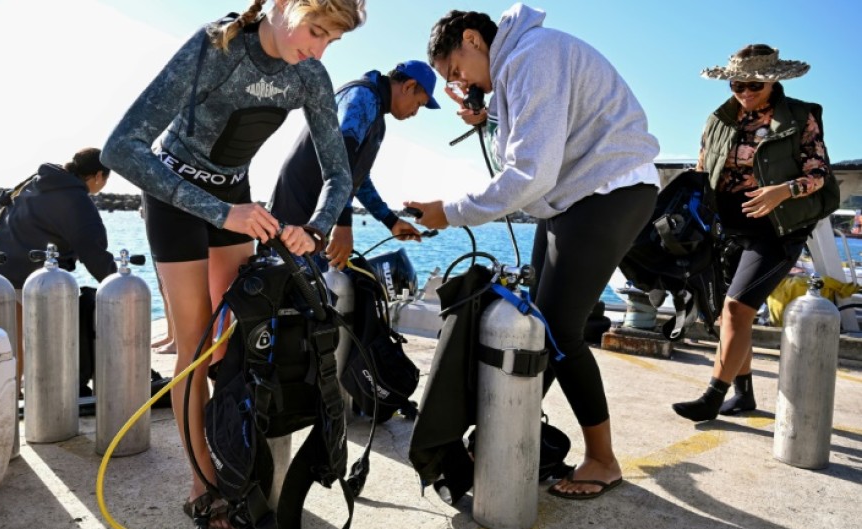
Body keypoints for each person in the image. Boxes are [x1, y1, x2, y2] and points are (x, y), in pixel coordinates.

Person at [99, 1, 365, 525]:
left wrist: (313, 228)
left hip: (235, 201)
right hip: (175, 196)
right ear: (284, 5)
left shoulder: (309, 74)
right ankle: (203, 481)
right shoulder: (215, 47)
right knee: (198, 345)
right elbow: (121, 150)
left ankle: (234, 460)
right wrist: (225, 212)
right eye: (315, 31)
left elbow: (338, 173)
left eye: (330, 42)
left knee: (237, 341)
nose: (317, 50)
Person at [404, 4, 660, 499]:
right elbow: (531, 147)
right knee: (538, 326)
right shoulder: (520, 65)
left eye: (456, 69)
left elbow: (529, 173)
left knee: (561, 328)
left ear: (475, 40)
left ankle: (603, 459)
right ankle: (501, 434)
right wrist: (488, 115)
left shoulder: (531, 55)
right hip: (574, 197)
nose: (459, 80)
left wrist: (451, 211)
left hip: (609, 188)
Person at [672, 44, 832, 422]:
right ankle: (743, 394)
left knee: (736, 308)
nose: (744, 92)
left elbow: (820, 173)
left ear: (773, 80)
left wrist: (783, 191)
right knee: (725, 314)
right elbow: (701, 169)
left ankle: (713, 395)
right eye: (736, 85)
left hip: (777, 229)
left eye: (753, 86)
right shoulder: (717, 119)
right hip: (725, 229)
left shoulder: (799, 116)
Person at [269, 60, 440, 268]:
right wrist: (342, 224)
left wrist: (391, 221)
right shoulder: (362, 96)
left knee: (320, 293)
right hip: (294, 214)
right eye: (418, 104)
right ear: (409, 86)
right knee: (292, 292)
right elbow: (341, 160)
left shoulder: (376, 115)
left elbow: (358, 179)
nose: (415, 112)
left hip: (316, 220)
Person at [0, 147, 117, 397]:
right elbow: (93, 250)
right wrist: (121, 284)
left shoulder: (34, 183)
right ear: (99, 175)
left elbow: (3, 221)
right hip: (40, 281)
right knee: (48, 344)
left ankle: (10, 401)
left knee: (14, 348)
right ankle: (52, 398)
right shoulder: (76, 199)